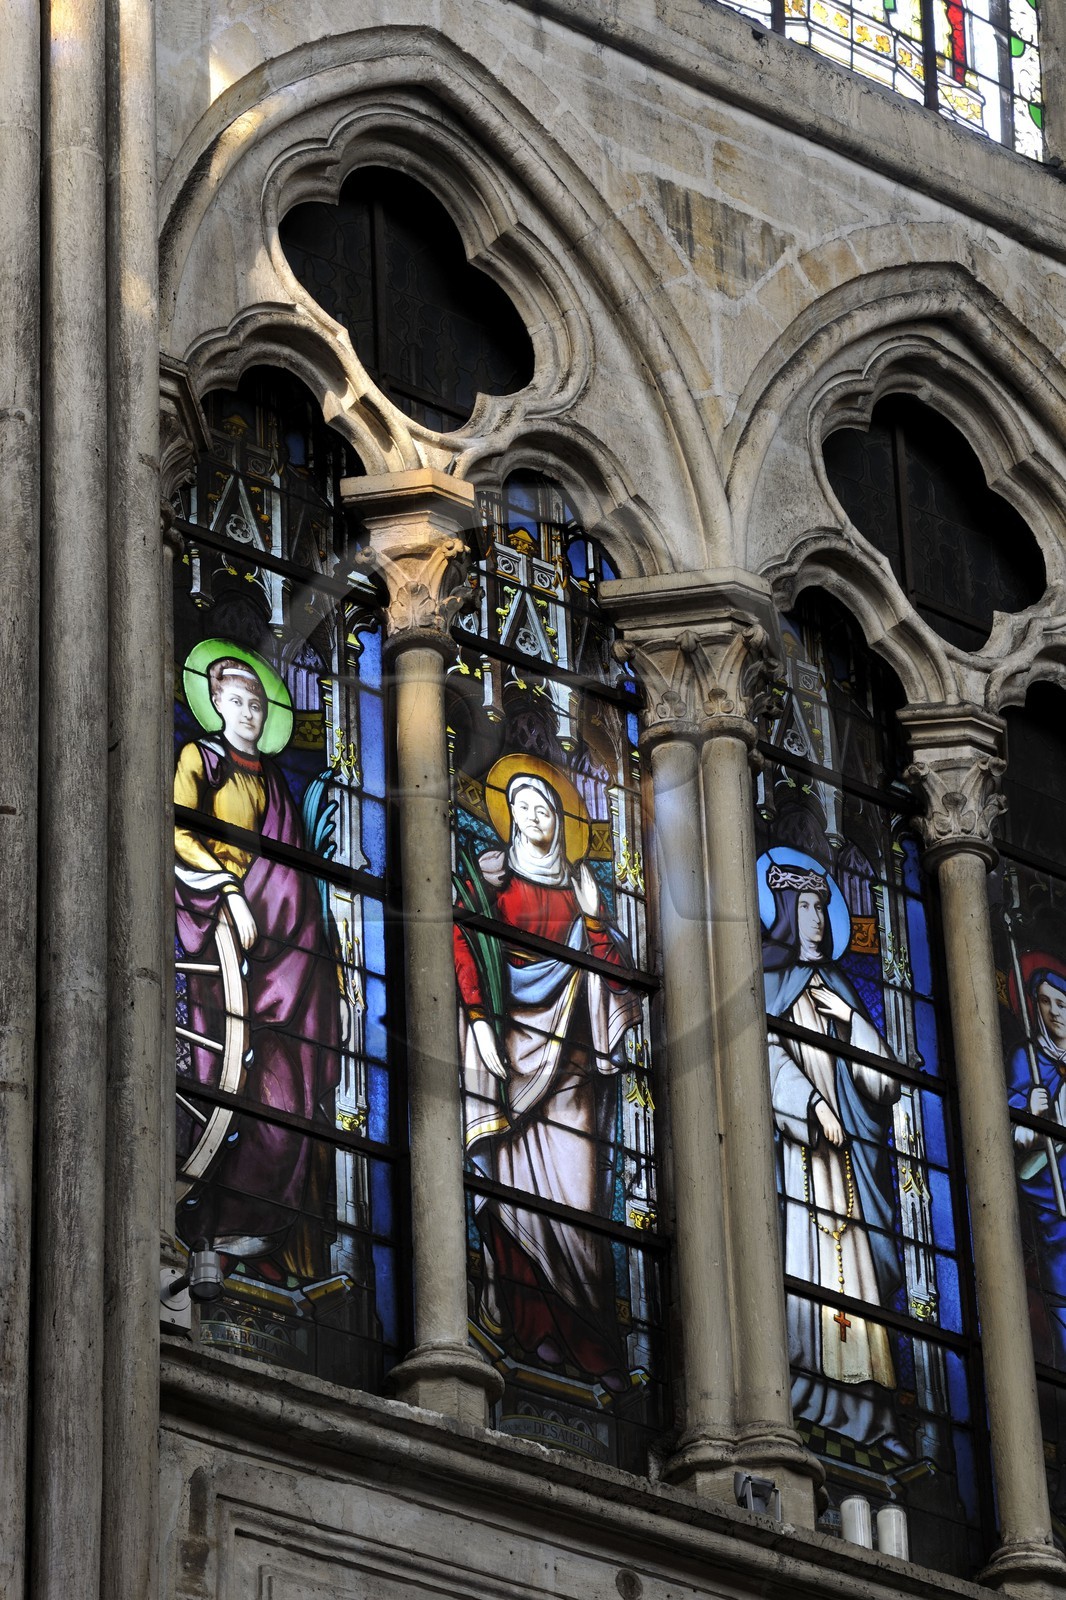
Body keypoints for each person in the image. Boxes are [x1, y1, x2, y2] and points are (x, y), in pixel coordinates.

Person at [454, 764, 642, 1387]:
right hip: (509, 1059)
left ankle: (588, 1342)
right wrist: (479, 1019)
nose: (536, 818)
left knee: (577, 1204)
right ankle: (531, 1332)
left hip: (572, 1073)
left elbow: (616, 977)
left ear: (562, 823)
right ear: (509, 819)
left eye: (546, 809)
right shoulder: (492, 886)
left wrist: (592, 921)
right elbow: (464, 945)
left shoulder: (583, 890)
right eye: (523, 807)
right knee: (514, 1200)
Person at [174, 648, 341, 1279]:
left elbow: (294, 867)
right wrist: (225, 889)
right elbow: (179, 832)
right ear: (215, 703)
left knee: (287, 1094)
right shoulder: (200, 760)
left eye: (257, 704)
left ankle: (255, 1229)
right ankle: (203, 1223)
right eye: (238, 700)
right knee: (219, 1081)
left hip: (283, 948)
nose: (248, 712)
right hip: (214, 943)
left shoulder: (274, 782)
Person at [762, 856, 905, 1452]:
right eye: (808, 909)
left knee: (858, 1285)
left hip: (848, 1167)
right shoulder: (772, 982)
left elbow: (886, 1085)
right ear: (790, 919)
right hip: (801, 1161)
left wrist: (848, 1019)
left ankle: (866, 1412)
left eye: (823, 908)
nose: (818, 920)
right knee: (805, 1267)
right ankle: (803, 1397)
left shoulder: (841, 989)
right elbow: (765, 1055)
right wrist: (814, 1107)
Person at [1009, 964, 1066, 1363]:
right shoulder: (1026, 1061)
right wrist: (1030, 1114)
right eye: (1044, 1002)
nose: (1054, 1012)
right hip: (1055, 1210)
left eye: (1061, 1002)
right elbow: (1012, 1138)